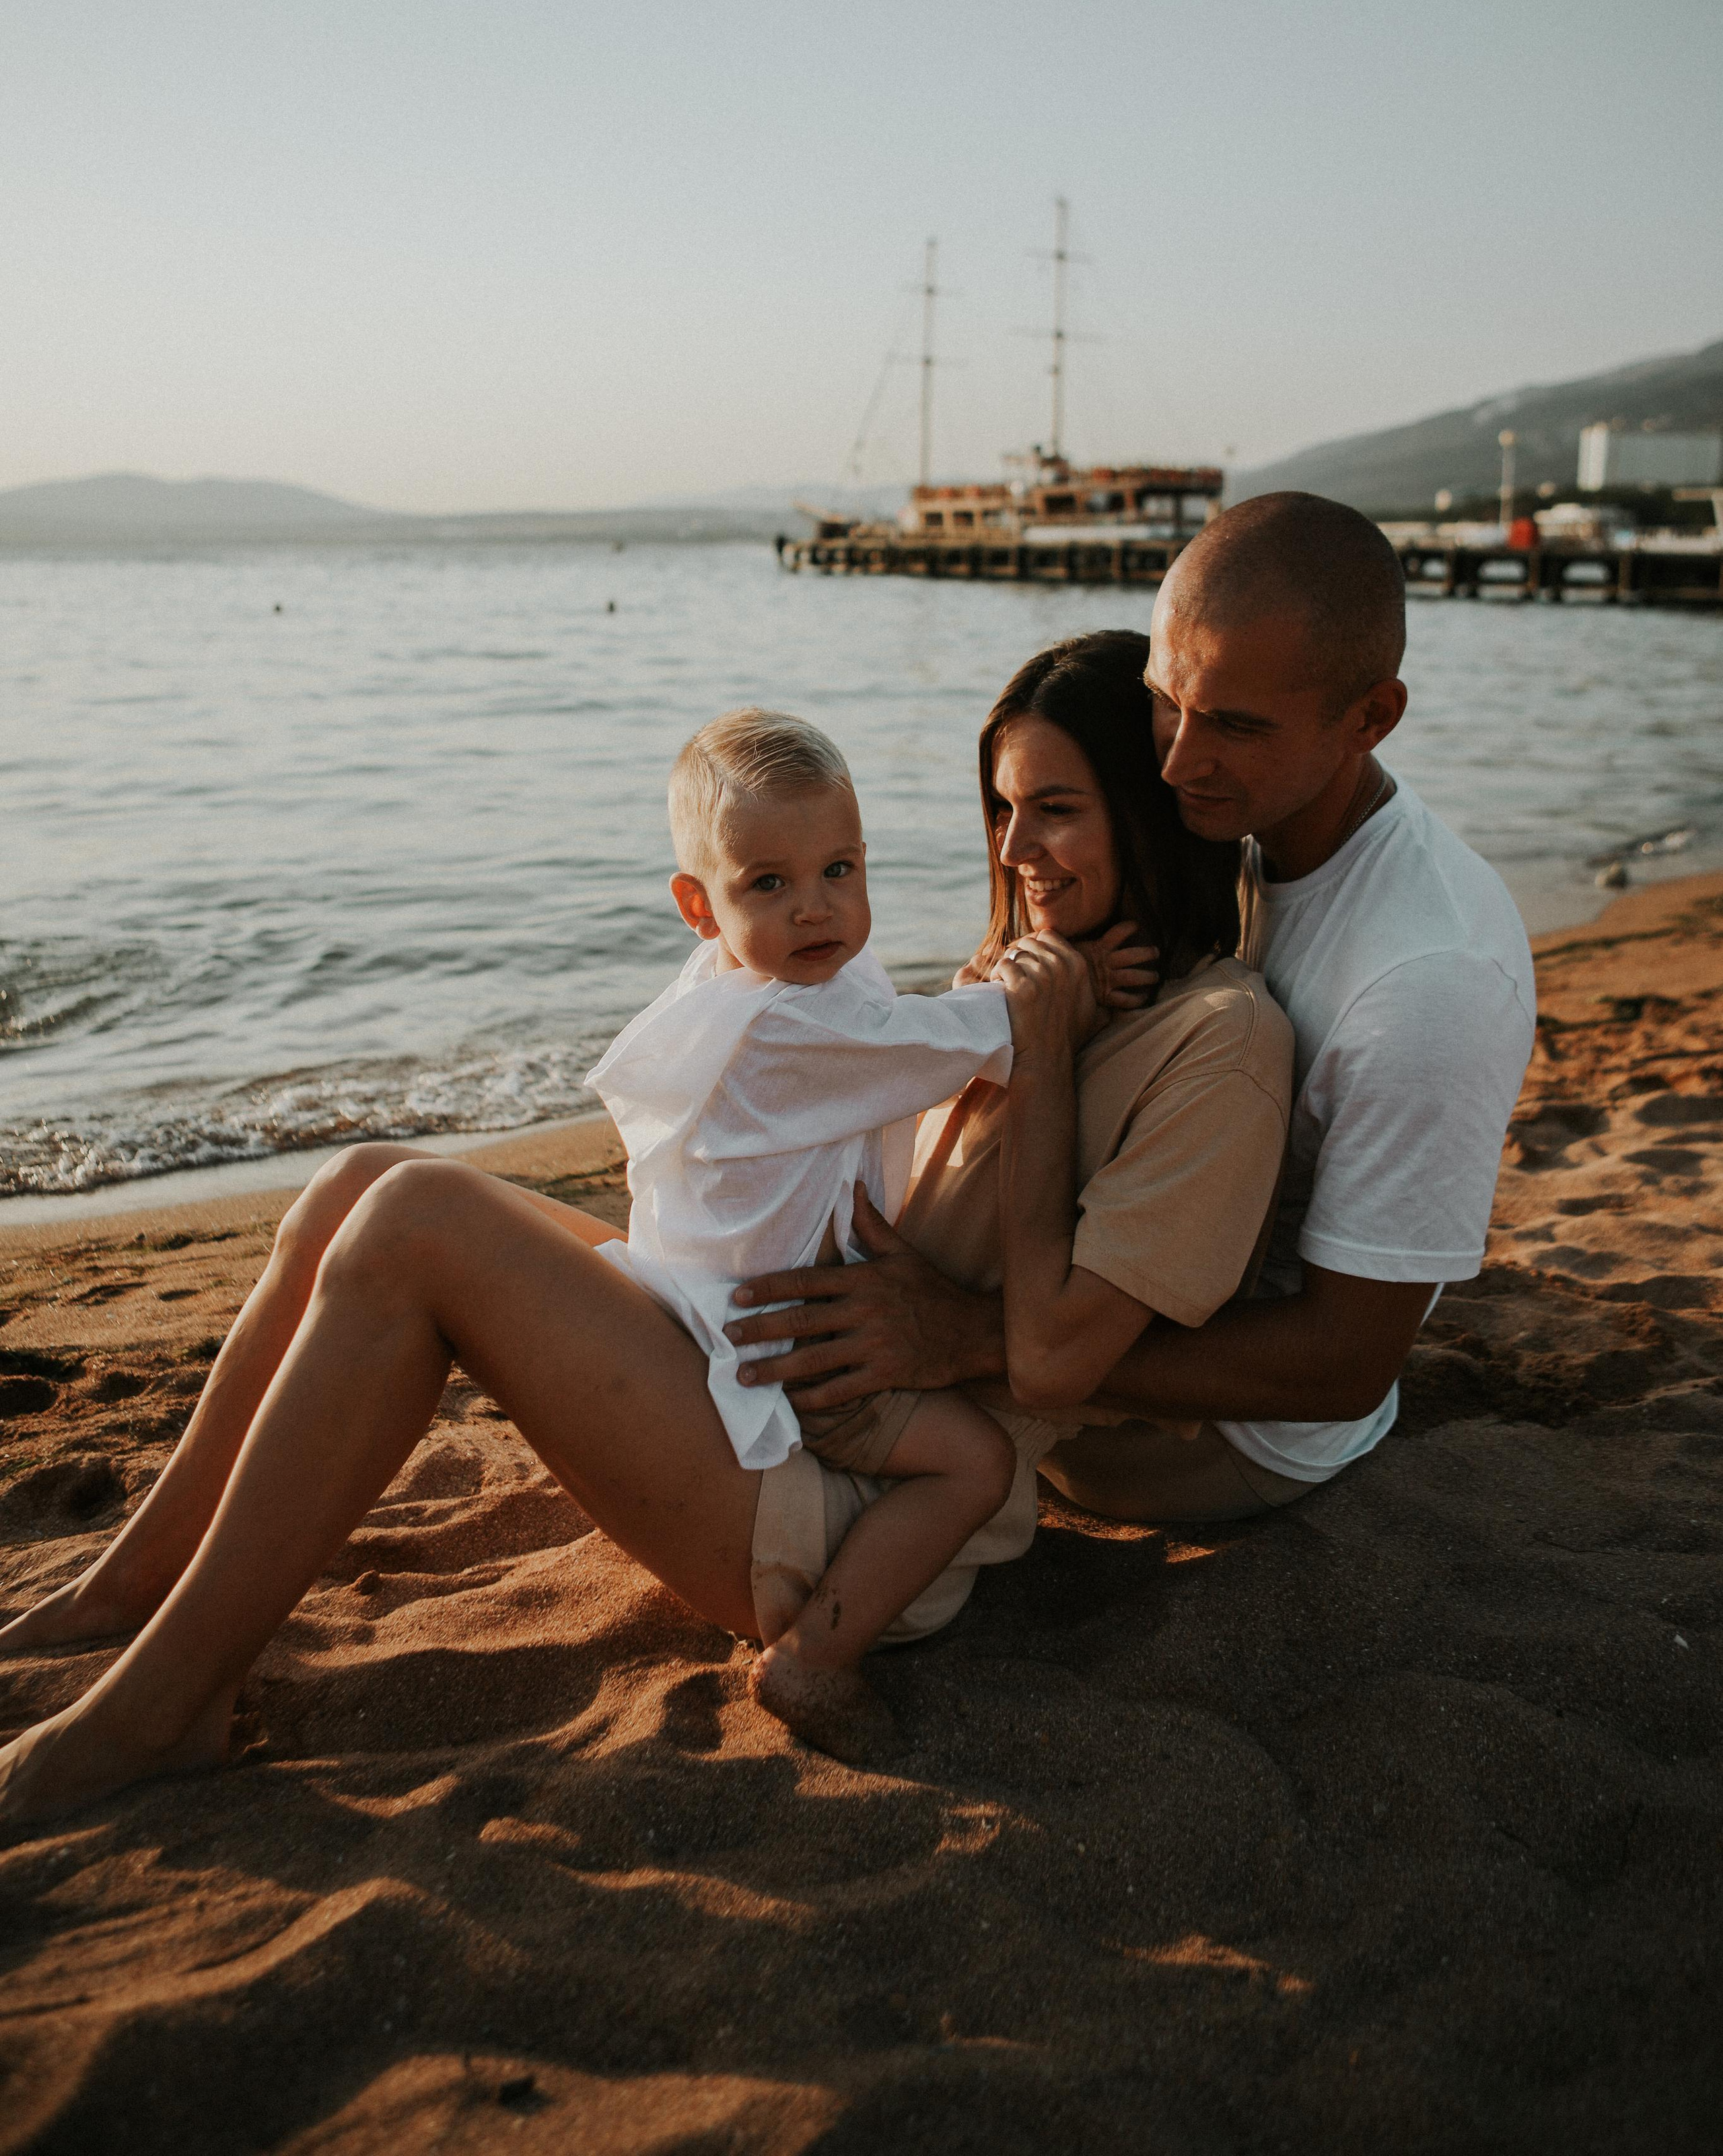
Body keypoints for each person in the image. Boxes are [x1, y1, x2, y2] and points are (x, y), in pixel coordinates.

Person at [1, 630, 1256, 1827]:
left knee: (417, 1221)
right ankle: (142, 1578)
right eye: (1001, 808)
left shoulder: (1195, 1035)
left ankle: (168, 1707)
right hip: (767, 1359)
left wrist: (970, 1252)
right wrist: (1030, 1004)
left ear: (1144, 811)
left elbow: (1062, 1354)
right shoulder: (1023, 977)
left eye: (1058, 809)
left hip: (847, 1500)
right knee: (362, 1179)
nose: (1017, 848)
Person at [730, 498, 1537, 1525]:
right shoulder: (1229, 829)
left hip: (1205, 1443)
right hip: (1070, 1347)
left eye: (1235, 726)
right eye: (1167, 700)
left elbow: (1343, 1368)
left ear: (1370, 719)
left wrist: (969, 1334)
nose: (1175, 762)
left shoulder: (1429, 982)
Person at [587, 703, 1146, 1761]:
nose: (817, 909)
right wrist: (1068, 990)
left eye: (841, 869)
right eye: (770, 884)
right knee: (974, 1467)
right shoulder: (783, 1023)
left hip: (716, 1308)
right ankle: (817, 1655)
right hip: (796, 1356)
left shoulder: (750, 990)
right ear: (698, 906)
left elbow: (893, 1032)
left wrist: (969, 991)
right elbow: (957, 1043)